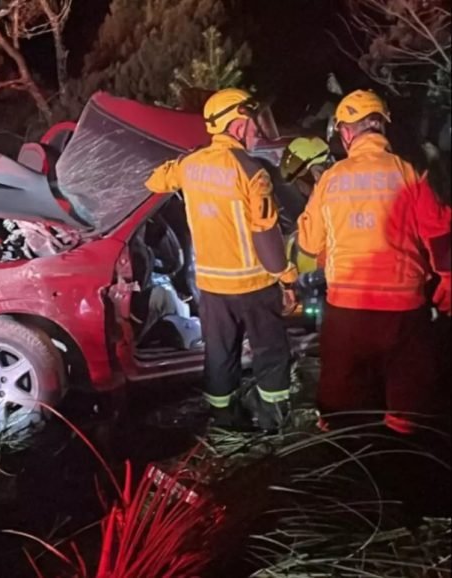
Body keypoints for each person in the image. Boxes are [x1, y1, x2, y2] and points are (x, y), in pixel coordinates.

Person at [296, 89, 452, 434]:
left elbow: (308, 243)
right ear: (381, 126)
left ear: (346, 132)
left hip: (347, 313)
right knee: (408, 406)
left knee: (343, 411)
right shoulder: (409, 174)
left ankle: (350, 468)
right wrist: (447, 279)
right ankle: (403, 465)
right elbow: (438, 231)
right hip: (403, 311)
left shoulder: (331, 179)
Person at [145, 88, 298, 432]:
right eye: (252, 122)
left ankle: (224, 418)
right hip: (255, 284)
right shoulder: (251, 171)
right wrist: (287, 278)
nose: (257, 130)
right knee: (271, 353)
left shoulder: (190, 165)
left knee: (219, 354)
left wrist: (183, 160)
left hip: (213, 287)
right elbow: (267, 238)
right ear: (237, 123)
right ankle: (274, 422)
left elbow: (154, 180)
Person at [280, 136, 333, 275]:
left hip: (325, 272)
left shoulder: (323, 196)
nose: (298, 186)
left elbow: (310, 245)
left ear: (316, 174)